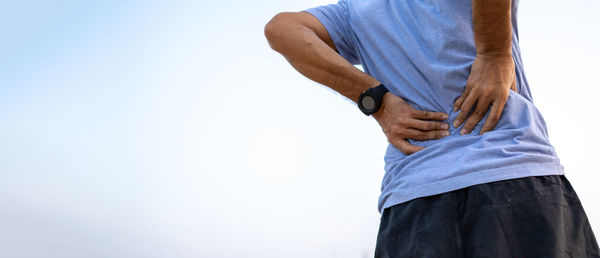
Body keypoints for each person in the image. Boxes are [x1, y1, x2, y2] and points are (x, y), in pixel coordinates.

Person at [264, 0, 600, 256]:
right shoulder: (354, 9)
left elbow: (282, 30)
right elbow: (280, 30)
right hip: (509, 172)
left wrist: (373, 99)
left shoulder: (355, 10)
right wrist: (494, 52)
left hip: (416, 196)